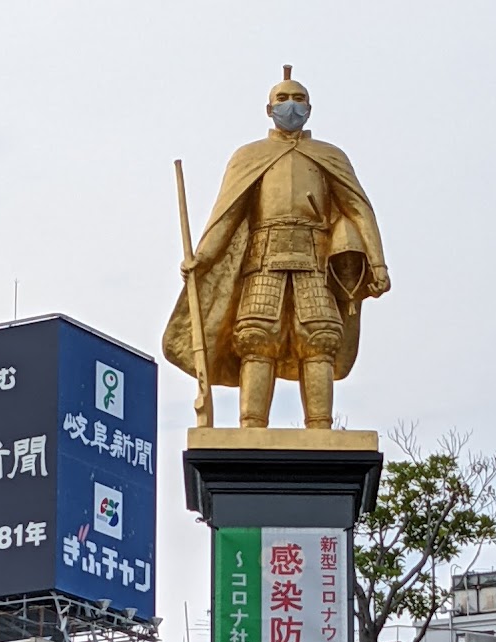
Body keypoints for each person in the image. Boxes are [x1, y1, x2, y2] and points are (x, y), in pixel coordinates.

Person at [163, 66, 390, 429]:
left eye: (298, 99)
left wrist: (378, 264)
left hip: (314, 259)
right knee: (255, 338)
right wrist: (202, 256)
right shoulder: (248, 156)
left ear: (310, 108)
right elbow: (228, 212)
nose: (290, 106)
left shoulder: (329, 155)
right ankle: (251, 428)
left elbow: (358, 207)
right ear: (268, 109)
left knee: (319, 339)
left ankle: (320, 428)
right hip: (263, 259)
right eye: (282, 99)